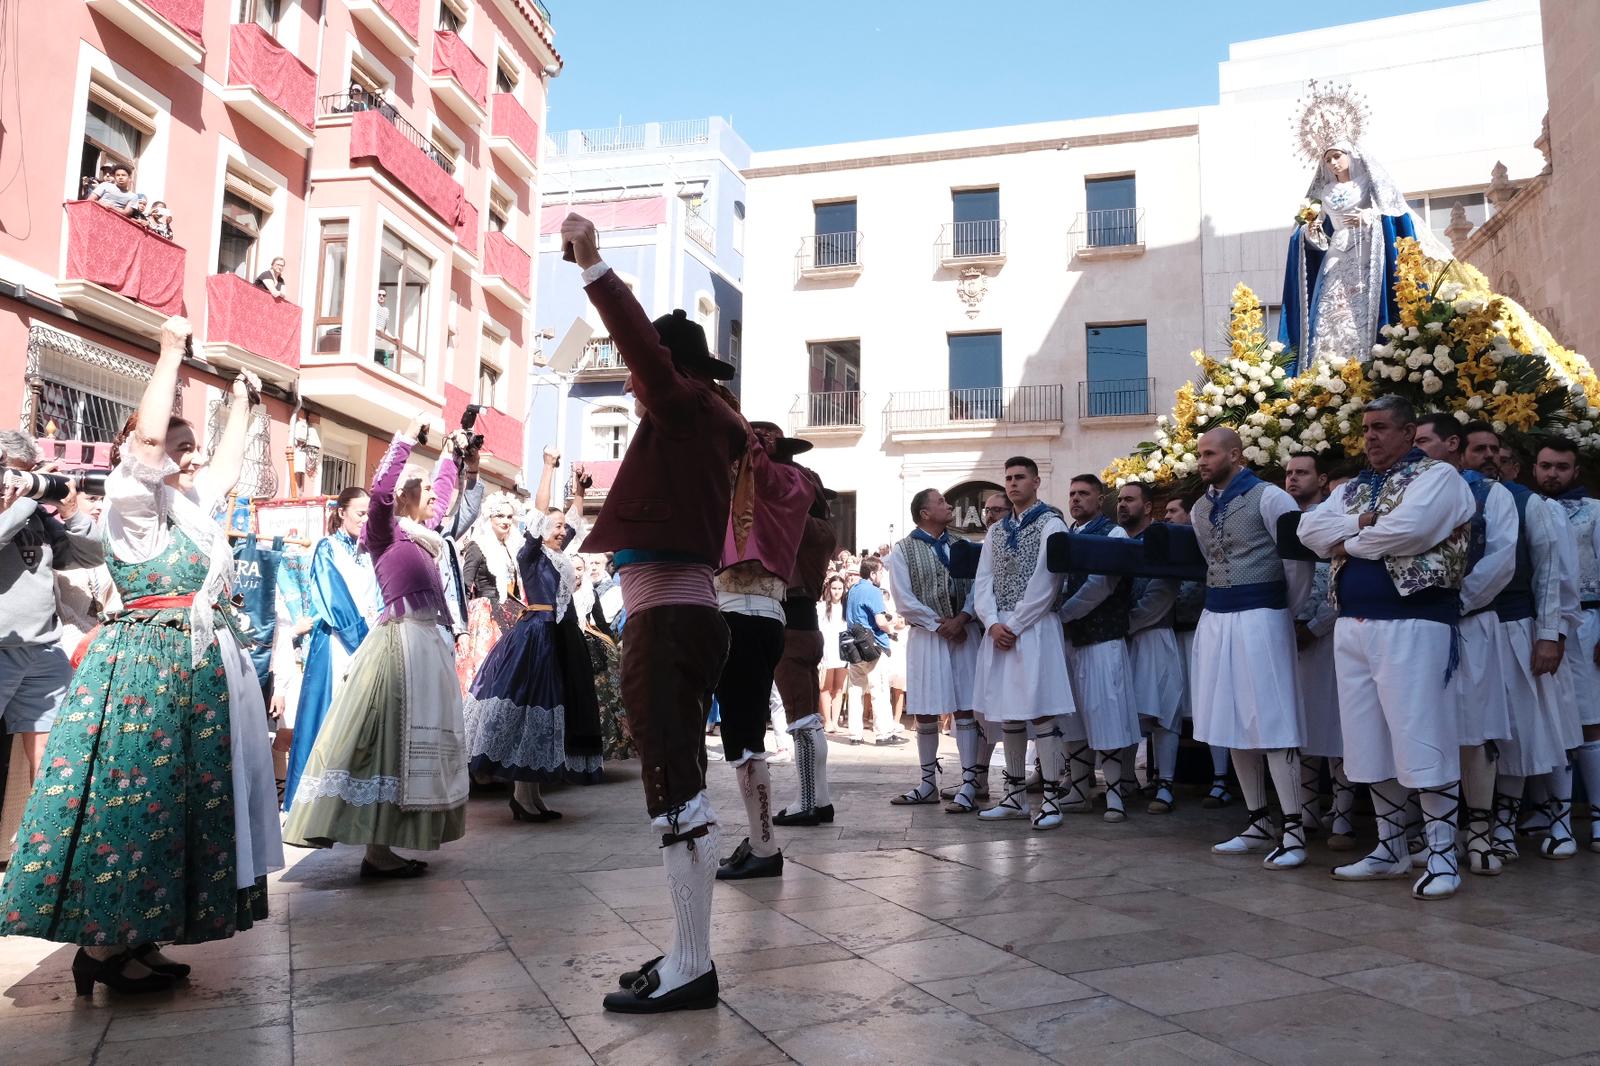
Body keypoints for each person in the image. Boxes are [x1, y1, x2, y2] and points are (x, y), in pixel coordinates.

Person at [0, 317, 281, 994]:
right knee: (132, 809)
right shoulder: (133, 498)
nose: (187, 457)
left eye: (191, 448)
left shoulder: (187, 506)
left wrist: (244, 398)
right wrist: (170, 353)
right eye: (177, 447)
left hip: (188, 674)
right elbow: (153, 438)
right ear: (140, 448)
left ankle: (143, 938)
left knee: (176, 813)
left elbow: (223, 462)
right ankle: (100, 951)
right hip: (144, 676)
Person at [561, 212, 745, 1014]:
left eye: (645, 376)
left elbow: (640, 349)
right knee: (680, 784)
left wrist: (594, 264)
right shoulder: (705, 425)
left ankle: (693, 964)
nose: (633, 386)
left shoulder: (683, 408)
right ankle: (684, 949)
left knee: (675, 791)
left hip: (667, 621)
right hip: (680, 615)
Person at [1299, 396, 1475, 900]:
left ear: (1407, 431)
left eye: (1380, 428)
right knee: (1367, 738)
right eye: (1366, 428)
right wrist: (1360, 524)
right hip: (1354, 627)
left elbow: (1411, 530)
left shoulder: (1437, 478)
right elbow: (1309, 530)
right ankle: (1390, 848)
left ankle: (1442, 855)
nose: (1370, 437)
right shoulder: (1356, 487)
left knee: (1422, 733)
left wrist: (1348, 542)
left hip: (1415, 622)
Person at [282, 413, 469, 879]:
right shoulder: (385, 530)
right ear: (407, 496)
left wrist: (451, 454)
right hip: (398, 646)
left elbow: (444, 493)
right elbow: (382, 491)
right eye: (423, 491)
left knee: (407, 749)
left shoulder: (426, 535)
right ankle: (377, 850)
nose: (432, 499)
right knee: (385, 745)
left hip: (426, 644)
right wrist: (405, 440)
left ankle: (381, 850)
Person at [1188, 428, 1312, 869]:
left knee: (1272, 718)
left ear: (1235, 454)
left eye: (1210, 453)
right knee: (1229, 718)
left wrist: (1283, 613)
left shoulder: (1270, 497)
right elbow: (1209, 558)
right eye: (1199, 454)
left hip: (1261, 615)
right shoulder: (1201, 506)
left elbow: (1297, 563)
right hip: (1217, 616)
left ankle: (1295, 829)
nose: (1202, 460)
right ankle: (1259, 820)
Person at [461, 460, 605, 823]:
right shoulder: (531, 553)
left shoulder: (559, 555)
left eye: (562, 527)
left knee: (553, 715)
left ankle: (531, 795)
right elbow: (540, 512)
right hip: (537, 636)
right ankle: (522, 796)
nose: (561, 530)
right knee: (532, 712)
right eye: (555, 526)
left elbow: (574, 520)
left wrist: (580, 492)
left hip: (561, 635)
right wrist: (547, 468)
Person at [712, 420, 816, 881]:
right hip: (753, 613)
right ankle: (759, 838)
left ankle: (764, 845)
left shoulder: (787, 481)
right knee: (742, 732)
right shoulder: (758, 482)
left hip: (746, 615)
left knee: (744, 736)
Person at [1468, 428, 1578, 861]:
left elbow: (1550, 574)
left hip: (1515, 626)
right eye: (1481, 450)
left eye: (1497, 451)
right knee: (1478, 732)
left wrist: (1550, 635)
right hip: (1465, 629)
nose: (1490, 457)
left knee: (1519, 730)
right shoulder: (1448, 497)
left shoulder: (1529, 502)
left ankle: (1506, 827)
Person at [1413, 413, 1516, 876]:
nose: (1416, 450)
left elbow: (1500, 559)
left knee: (1476, 729)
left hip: (1469, 623)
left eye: (1424, 441)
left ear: (1451, 444)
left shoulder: (1491, 494)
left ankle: (1478, 832)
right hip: (1422, 625)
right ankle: (1439, 834)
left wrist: (1454, 602)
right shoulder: (1409, 490)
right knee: (1431, 725)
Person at [972, 457, 1075, 828]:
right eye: (1009, 478)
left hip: (1033, 628)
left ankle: (1051, 800)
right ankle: (1014, 797)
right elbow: (982, 581)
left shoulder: (1052, 524)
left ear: (1035, 482)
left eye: (1020, 478)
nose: (1013, 483)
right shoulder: (997, 531)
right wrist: (991, 621)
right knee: (1008, 711)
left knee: (1041, 709)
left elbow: (1048, 581)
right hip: (1000, 630)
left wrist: (1012, 623)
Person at [0, 434, 104, 785]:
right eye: (18, 473)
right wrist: (30, 494)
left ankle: (42, 835)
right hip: (2, 647)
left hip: (43, 650)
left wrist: (71, 512)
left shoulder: (33, 516)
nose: (23, 483)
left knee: (53, 757)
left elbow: (89, 556)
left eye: (28, 474)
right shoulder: (22, 508)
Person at [281, 487, 381, 810]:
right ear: (341, 512)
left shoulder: (369, 553)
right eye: (360, 513)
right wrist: (363, 638)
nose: (365, 520)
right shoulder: (326, 549)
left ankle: (352, 801)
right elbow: (333, 596)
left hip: (367, 641)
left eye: (369, 514)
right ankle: (314, 804)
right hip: (338, 643)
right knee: (328, 717)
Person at [885, 488, 979, 809]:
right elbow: (903, 599)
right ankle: (927, 783)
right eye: (941, 502)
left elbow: (979, 585)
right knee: (925, 709)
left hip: (963, 633)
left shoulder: (961, 545)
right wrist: (940, 624)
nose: (948, 505)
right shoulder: (903, 550)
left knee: (965, 706)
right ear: (925, 513)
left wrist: (963, 617)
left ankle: (969, 783)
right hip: (927, 636)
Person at [1056, 474, 1141, 821]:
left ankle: (1115, 794)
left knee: (1108, 715)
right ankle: (1078, 790)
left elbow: (1100, 585)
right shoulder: (1065, 537)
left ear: (1099, 497)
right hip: (1071, 641)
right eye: (1072, 493)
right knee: (1072, 716)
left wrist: (1063, 614)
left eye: (1084, 494)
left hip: (1103, 639)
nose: (1076, 499)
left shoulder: (1114, 533)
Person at [1283, 453, 1356, 847]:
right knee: (1303, 724)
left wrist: (1314, 626)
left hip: (1331, 639)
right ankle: (1307, 807)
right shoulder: (1284, 524)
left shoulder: (1330, 519)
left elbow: (1338, 580)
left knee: (1338, 726)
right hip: (1293, 638)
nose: (1293, 480)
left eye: (1302, 473)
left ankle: (1343, 811)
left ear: (1322, 479)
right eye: (1288, 474)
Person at [1532, 436, 1600, 856]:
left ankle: (1596, 816)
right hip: (1543, 626)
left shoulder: (1595, 512)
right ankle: (1557, 820)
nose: (1552, 473)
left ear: (1575, 471)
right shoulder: (1527, 507)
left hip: (1588, 624)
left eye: (1561, 467)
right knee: (1553, 721)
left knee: (1591, 721)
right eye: (1545, 466)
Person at [771, 447, 838, 828]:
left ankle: (809, 802)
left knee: (801, 720)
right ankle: (818, 799)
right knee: (807, 718)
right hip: (803, 626)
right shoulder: (821, 529)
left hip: (793, 627)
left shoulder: (807, 527)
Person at [1117, 482, 1184, 815]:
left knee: (1163, 712)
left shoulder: (1163, 540)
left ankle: (1165, 783)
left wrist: (1126, 623)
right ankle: (1126, 781)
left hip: (1154, 635)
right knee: (1125, 713)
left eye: (1129, 499)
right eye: (1119, 500)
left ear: (1147, 507)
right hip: (1122, 639)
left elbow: (1162, 592)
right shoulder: (1115, 541)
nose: (1122, 505)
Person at [1163, 494, 1233, 807]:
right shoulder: (1166, 548)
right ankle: (1163, 779)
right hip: (1171, 634)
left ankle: (1221, 779)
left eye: (1173, 511)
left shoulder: (1207, 546)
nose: (1166, 516)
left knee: (1212, 706)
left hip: (1202, 633)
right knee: (1170, 709)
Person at [458, 491, 526, 691]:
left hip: (511, 612)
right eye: (500, 516)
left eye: (509, 516)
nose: (505, 521)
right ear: (490, 517)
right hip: (486, 614)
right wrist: (461, 628)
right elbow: (464, 585)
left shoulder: (512, 547)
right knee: (486, 671)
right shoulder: (478, 545)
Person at [844, 557, 899, 745]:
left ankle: (855, 735)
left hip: (853, 646)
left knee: (855, 690)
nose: (882, 576)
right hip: (873, 646)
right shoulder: (873, 591)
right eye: (881, 572)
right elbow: (880, 621)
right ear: (873, 573)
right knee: (880, 690)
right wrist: (892, 629)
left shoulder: (853, 590)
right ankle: (883, 733)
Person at [816, 574, 848, 733]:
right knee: (826, 687)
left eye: (840, 589)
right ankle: (827, 720)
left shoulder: (846, 608)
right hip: (826, 650)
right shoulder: (821, 607)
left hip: (842, 651)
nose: (837, 592)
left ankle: (835, 721)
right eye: (834, 588)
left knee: (839, 688)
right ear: (829, 588)